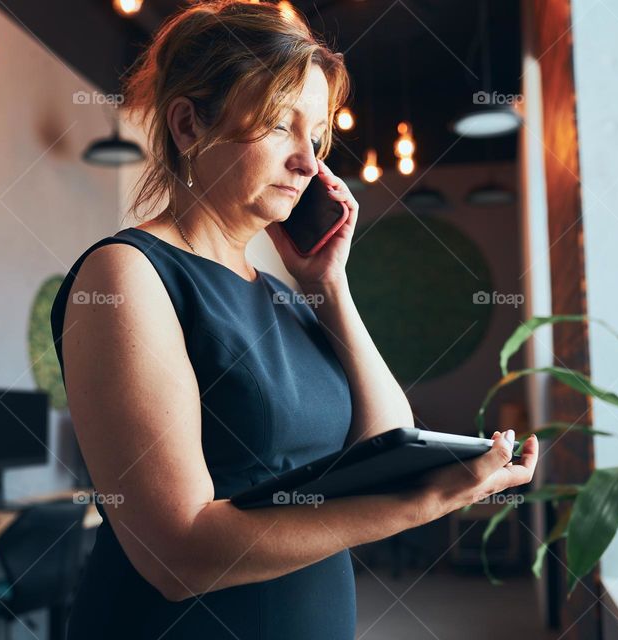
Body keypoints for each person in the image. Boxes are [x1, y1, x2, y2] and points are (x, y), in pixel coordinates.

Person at [50, 1, 539, 637]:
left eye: (316, 136)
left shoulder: (285, 294)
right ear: (189, 124)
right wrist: (419, 506)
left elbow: (388, 443)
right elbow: (179, 555)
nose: (309, 162)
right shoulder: (128, 275)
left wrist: (329, 285)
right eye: (280, 126)